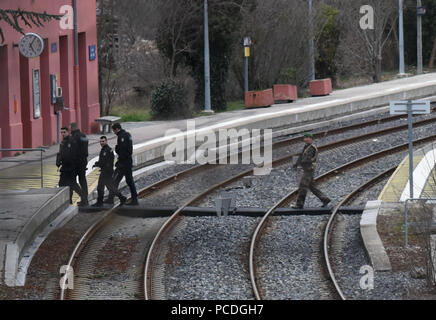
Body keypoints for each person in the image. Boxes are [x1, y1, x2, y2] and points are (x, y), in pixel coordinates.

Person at [292, 133, 331, 209]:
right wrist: (296, 164)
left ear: (311, 139)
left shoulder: (311, 148)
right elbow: (301, 156)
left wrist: (300, 163)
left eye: (308, 137)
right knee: (312, 187)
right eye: (305, 137)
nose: (306, 139)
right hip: (307, 169)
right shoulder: (306, 147)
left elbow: (307, 159)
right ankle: (325, 199)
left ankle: (299, 204)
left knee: (302, 186)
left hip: (309, 170)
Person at [106, 123, 139, 206]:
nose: (114, 132)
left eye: (114, 130)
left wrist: (117, 150)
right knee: (127, 181)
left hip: (123, 164)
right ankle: (134, 200)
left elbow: (123, 151)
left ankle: (119, 198)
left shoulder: (122, 136)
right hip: (127, 162)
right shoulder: (127, 134)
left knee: (113, 181)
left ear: (117, 129)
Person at [92, 136, 127, 207]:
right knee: (110, 187)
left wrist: (97, 164)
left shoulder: (106, 150)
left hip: (106, 172)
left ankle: (100, 203)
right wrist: (98, 164)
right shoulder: (107, 149)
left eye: (103, 141)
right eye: (100, 141)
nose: (101, 143)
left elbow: (103, 162)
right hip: (108, 171)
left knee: (100, 187)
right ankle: (122, 198)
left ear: (106, 141)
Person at [56, 127, 85, 204]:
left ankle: (83, 198)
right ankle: (69, 201)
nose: (62, 134)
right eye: (61, 132)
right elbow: (60, 153)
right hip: (64, 167)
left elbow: (75, 154)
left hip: (71, 167)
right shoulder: (63, 142)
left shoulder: (72, 141)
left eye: (64, 132)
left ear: (68, 132)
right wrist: (58, 161)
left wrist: (76, 165)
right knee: (62, 184)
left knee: (72, 185)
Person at [70, 122, 89, 207]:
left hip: (76, 162)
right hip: (83, 161)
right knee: (82, 180)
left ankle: (82, 198)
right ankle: (85, 200)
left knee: (71, 181)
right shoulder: (84, 136)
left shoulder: (74, 137)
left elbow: (73, 151)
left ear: (72, 128)